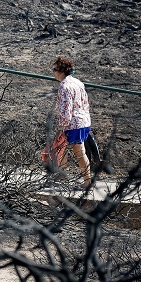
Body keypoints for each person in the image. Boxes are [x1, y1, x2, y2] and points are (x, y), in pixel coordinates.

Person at [51, 56, 92, 186]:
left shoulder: (64, 86)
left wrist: (60, 128)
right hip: (84, 122)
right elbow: (85, 103)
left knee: (80, 153)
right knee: (63, 149)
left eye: (55, 69)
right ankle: (63, 178)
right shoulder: (78, 83)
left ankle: (87, 182)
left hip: (73, 124)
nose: (53, 72)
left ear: (61, 71)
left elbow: (66, 111)